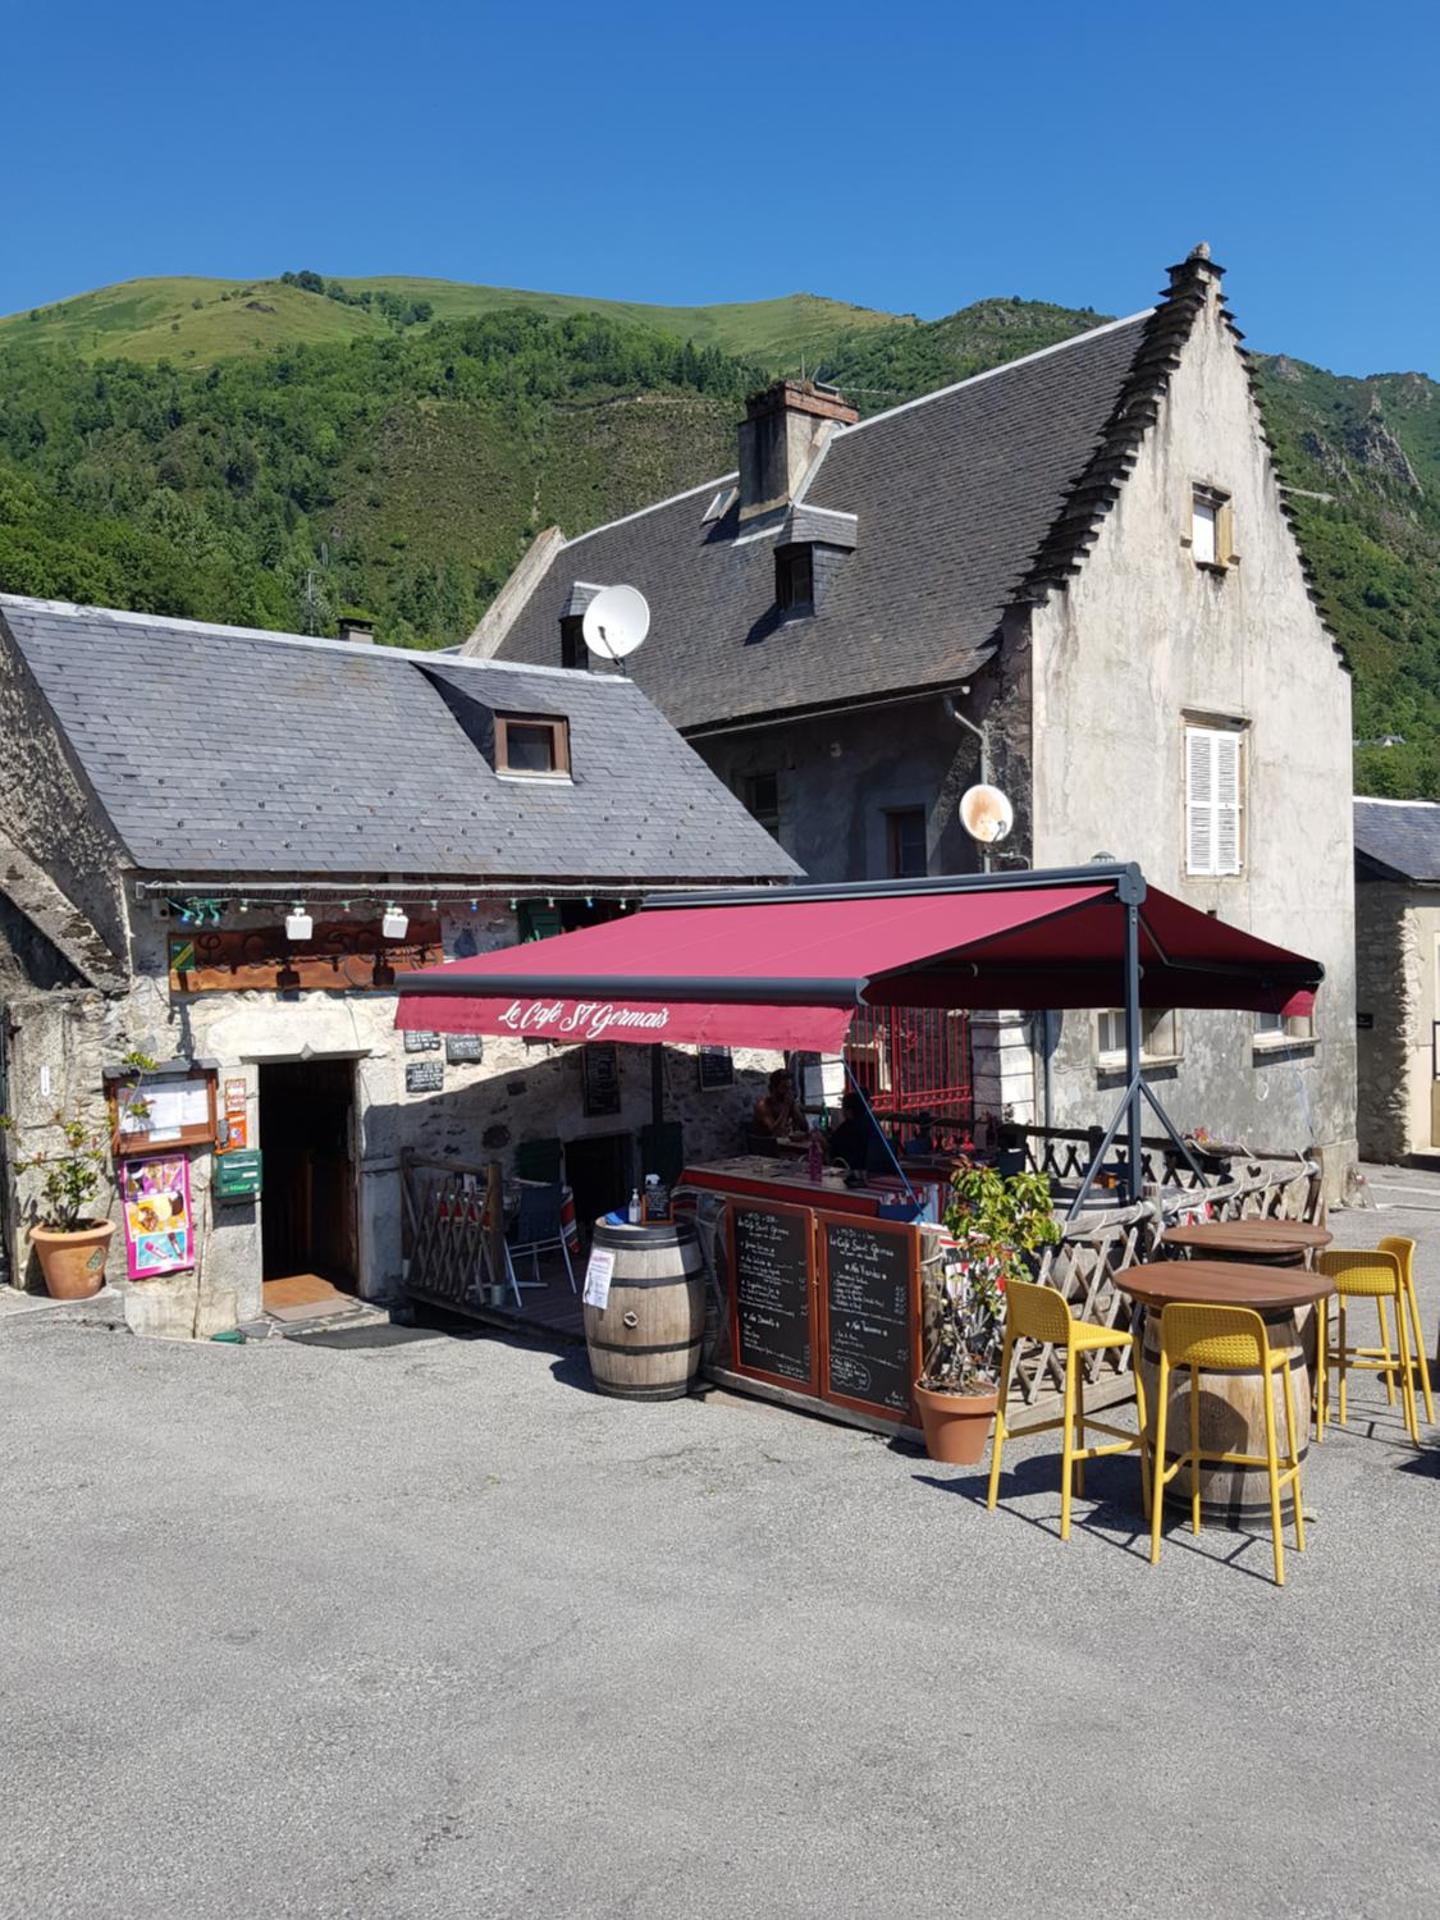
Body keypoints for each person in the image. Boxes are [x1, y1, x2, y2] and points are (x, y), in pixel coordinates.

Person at [827, 1090, 891, 1176]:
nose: (841, 1110)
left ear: (849, 1111)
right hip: (877, 1172)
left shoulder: (847, 1128)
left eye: (843, 1107)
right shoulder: (871, 1121)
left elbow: (834, 1149)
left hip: (852, 1172)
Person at [752, 1068, 809, 1145]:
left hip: (784, 1145)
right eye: (784, 1088)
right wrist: (786, 1108)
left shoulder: (787, 1102)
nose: (787, 1092)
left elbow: (804, 1127)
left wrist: (794, 1108)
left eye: (789, 1088)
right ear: (773, 1089)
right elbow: (776, 1132)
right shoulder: (764, 1105)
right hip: (766, 1146)